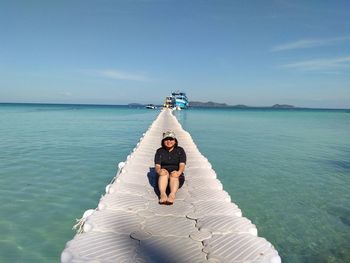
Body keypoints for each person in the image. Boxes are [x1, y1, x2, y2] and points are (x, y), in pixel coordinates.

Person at [154, 131, 186, 205]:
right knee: (163, 173)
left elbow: (182, 165)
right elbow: (157, 166)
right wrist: (159, 171)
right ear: (163, 141)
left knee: (174, 175)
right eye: (166, 139)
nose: (169, 141)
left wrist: (178, 172)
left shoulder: (180, 150)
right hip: (162, 178)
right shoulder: (159, 151)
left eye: (171, 139)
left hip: (176, 177)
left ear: (175, 141)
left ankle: (172, 194)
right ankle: (162, 194)